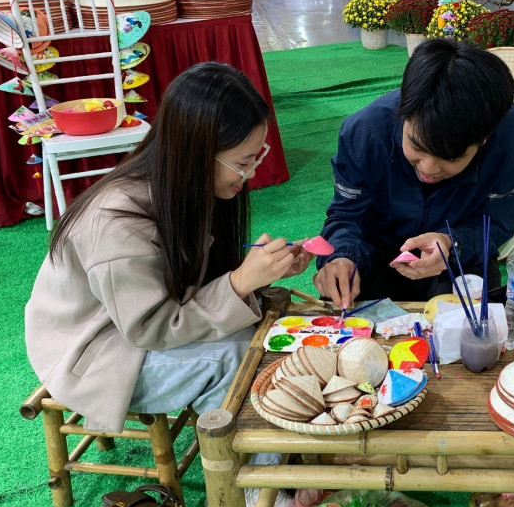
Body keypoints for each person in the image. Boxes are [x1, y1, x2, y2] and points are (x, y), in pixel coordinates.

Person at [25, 62, 312, 434]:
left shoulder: (183, 186)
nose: (252, 172)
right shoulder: (116, 222)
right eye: (243, 162)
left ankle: (281, 465)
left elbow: (190, 286)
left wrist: (256, 276)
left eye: (257, 156)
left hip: (134, 331)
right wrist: (241, 282)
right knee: (239, 357)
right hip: (94, 352)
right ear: (197, 151)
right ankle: (256, 487)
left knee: (266, 336)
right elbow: (152, 329)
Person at [313, 38, 514, 308]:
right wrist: (342, 256)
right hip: (377, 255)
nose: (428, 170)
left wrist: (454, 244)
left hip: (459, 260)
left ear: (484, 139)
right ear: (404, 113)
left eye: (451, 157)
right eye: (416, 146)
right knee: (344, 301)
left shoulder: (511, 139)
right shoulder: (364, 133)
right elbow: (347, 214)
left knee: (468, 325)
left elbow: (495, 224)